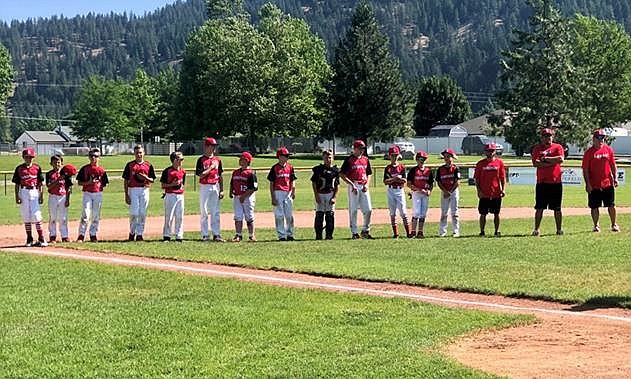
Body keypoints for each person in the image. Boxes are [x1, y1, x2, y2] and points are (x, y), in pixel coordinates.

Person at [582, 129, 620, 232]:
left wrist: (615, 178)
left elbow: (613, 165)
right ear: (593, 139)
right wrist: (588, 184)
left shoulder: (608, 150)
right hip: (594, 185)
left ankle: (614, 224)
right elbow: (585, 169)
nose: (600, 140)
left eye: (602, 138)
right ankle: (596, 225)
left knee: (611, 205)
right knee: (594, 206)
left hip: (607, 183)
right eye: (598, 138)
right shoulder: (588, 153)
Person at [531, 127, 565, 236]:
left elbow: (561, 159)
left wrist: (545, 159)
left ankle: (559, 229)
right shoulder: (537, 148)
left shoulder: (557, 147)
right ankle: (536, 229)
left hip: (556, 182)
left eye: (549, 136)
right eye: (545, 136)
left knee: (557, 208)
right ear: (541, 138)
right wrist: (552, 162)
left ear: (552, 137)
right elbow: (536, 163)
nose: (547, 138)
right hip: (542, 182)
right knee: (540, 207)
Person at [12, 148, 47, 247]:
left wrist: (41, 195)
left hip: (34, 191)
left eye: (31, 157)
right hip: (23, 191)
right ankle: (29, 238)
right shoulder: (19, 168)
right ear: (23, 157)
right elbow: (17, 184)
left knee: (36, 215)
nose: (29, 159)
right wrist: (17, 196)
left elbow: (40, 183)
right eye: (27, 157)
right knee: (26, 215)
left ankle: (41, 238)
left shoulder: (37, 168)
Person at [340, 139, 373, 239]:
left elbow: (369, 173)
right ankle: (354, 232)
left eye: (362, 148)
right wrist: (351, 184)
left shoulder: (365, 159)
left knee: (368, 210)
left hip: (363, 186)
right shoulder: (349, 160)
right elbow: (342, 174)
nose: (361, 150)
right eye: (359, 148)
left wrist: (367, 184)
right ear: (354, 149)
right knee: (353, 210)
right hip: (353, 185)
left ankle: (365, 230)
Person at [122, 145, 156, 241]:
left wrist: (145, 177)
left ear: (144, 153)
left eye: (140, 152)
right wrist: (126, 194)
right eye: (137, 153)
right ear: (134, 154)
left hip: (144, 189)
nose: (139, 154)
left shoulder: (148, 165)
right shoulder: (130, 165)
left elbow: (152, 179)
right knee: (134, 213)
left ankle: (140, 234)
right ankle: (132, 232)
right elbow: (126, 180)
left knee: (142, 213)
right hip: (133, 189)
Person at [76, 148, 109, 242]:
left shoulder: (102, 170)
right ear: (89, 157)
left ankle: (93, 234)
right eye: (91, 156)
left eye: (96, 156)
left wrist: (97, 185)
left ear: (99, 158)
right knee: (86, 214)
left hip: (98, 193)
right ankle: (81, 235)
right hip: (87, 193)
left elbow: (104, 183)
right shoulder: (85, 169)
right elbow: (79, 183)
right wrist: (89, 182)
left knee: (95, 215)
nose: (93, 158)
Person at [474, 143, 506, 237]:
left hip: (496, 192)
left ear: (495, 151)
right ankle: (482, 231)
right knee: (483, 214)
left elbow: (503, 178)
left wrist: (503, 189)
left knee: (496, 213)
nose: (490, 152)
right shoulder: (480, 163)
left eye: (492, 150)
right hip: (484, 193)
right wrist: (479, 191)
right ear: (485, 151)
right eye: (488, 150)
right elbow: (477, 179)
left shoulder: (499, 163)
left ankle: (496, 231)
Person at [196, 137, 224, 242]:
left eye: (214, 146)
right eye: (212, 146)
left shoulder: (217, 160)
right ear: (206, 147)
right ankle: (205, 234)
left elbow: (220, 175)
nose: (214, 148)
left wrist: (221, 189)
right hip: (205, 186)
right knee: (204, 211)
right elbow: (201, 175)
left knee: (215, 211)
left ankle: (216, 234)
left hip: (215, 185)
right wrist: (211, 168)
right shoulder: (201, 160)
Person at [268, 147, 297, 241]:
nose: (287, 157)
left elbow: (292, 180)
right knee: (279, 215)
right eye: (285, 156)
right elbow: (271, 183)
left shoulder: (290, 167)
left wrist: (293, 191)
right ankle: (281, 235)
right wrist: (273, 197)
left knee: (289, 215)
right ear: (279, 157)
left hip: (288, 192)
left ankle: (290, 234)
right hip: (278, 192)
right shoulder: (274, 168)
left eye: (287, 156)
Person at [310, 149, 339, 240]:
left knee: (330, 215)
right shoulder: (318, 169)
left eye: (330, 157)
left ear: (333, 158)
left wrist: (334, 197)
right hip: (320, 193)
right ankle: (318, 235)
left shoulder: (335, 170)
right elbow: (314, 183)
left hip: (330, 194)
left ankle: (329, 235)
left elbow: (337, 185)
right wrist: (316, 195)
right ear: (323, 157)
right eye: (326, 157)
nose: (328, 159)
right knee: (319, 215)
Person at [229, 151, 258, 242]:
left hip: (248, 197)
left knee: (249, 216)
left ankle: (251, 235)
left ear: (247, 161)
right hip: (237, 196)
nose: (240, 160)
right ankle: (238, 235)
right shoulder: (235, 172)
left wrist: (244, 196)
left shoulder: (251, 174)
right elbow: (232, 183)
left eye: (242, 159)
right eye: (240, 159)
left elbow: (254, 188)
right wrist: (230, 192)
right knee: (238, 216)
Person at [383, 145, 410, 238]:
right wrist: (395, 178)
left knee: (403, 212)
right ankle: (396, 234)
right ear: (389, 156)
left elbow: (404, 181)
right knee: (392, 212)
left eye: (396, 155)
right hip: (391, 190)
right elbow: (386, 181)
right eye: (392, 155)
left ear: (398, 155)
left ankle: (408, 233)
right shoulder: (388, 168)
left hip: (399, 190)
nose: (394, 157)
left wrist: (393, 179)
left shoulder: (402, 167)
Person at [46, 154, 73, 243]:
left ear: (61, 163)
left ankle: (64, 236)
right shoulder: (49, 174)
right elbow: (49, 186)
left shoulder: (66, 174)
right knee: (53, 217)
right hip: (53, 196)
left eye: (58, 162)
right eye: (54, 162)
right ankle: (52, 236)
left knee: (63, 218)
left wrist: (68, 199)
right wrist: (58, 180)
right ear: (51, 163)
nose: (56, 164)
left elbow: (68, 188)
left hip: (63, 196)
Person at [407, 150, 433, 238]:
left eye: (423, 159)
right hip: (416, 193)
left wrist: (429, 190)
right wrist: (418, 189)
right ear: (416, 160)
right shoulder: (413, 170)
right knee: (416, 212)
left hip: (425, 194)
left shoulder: (428, 171)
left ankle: (420, 232)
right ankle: (413, 231)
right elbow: (409, 183)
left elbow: (431, 184)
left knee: (423, 213)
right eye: (419, 159)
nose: (421, 161)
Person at [160, 151, 186, 242]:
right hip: (170, 195)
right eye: (180, 159)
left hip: (180, 195)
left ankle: (179, 235)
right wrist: (172, 184)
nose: (182, 161)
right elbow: (163, 185)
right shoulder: (167, 171)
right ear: (174, 160)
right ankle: (167, 235)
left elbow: (182, 184)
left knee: (180, 216)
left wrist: (181, 188)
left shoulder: (183, 171)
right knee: (169, 216)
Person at [436, 148, 460, 237]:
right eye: (445, 156)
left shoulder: (455, 168)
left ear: (452, 157)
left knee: (455, 212)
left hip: (453, 191)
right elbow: (438, 182)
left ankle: (456, 231)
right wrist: (445, 191)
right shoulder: (440, 169)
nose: (446, 158)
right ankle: (442, 231)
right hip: (444, 192)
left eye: (448, 156)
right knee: (444, 212)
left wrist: (450, 192)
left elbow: (458, 182)